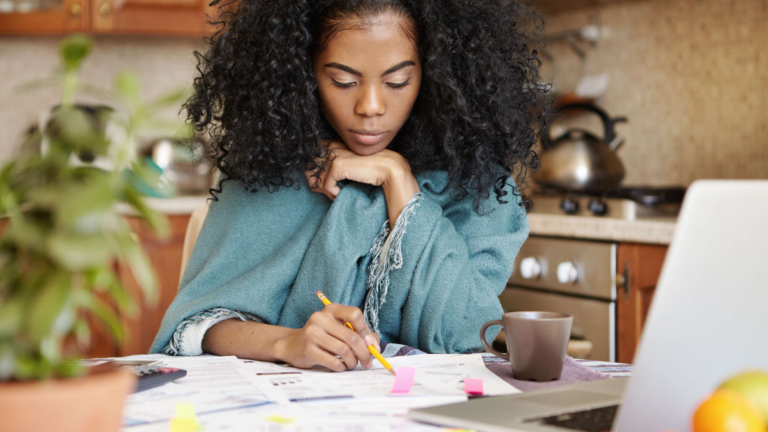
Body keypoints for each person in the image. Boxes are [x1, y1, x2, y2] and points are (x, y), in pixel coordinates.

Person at [150, 0, 551, 373]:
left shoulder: (476, 187)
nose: (370, 106)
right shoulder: (270, 172)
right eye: (342, 81)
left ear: (436, 75)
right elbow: (194, 327)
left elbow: (468, 334)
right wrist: (289, 342)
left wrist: (399, 182)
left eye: (398, 82)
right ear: (303, 73)